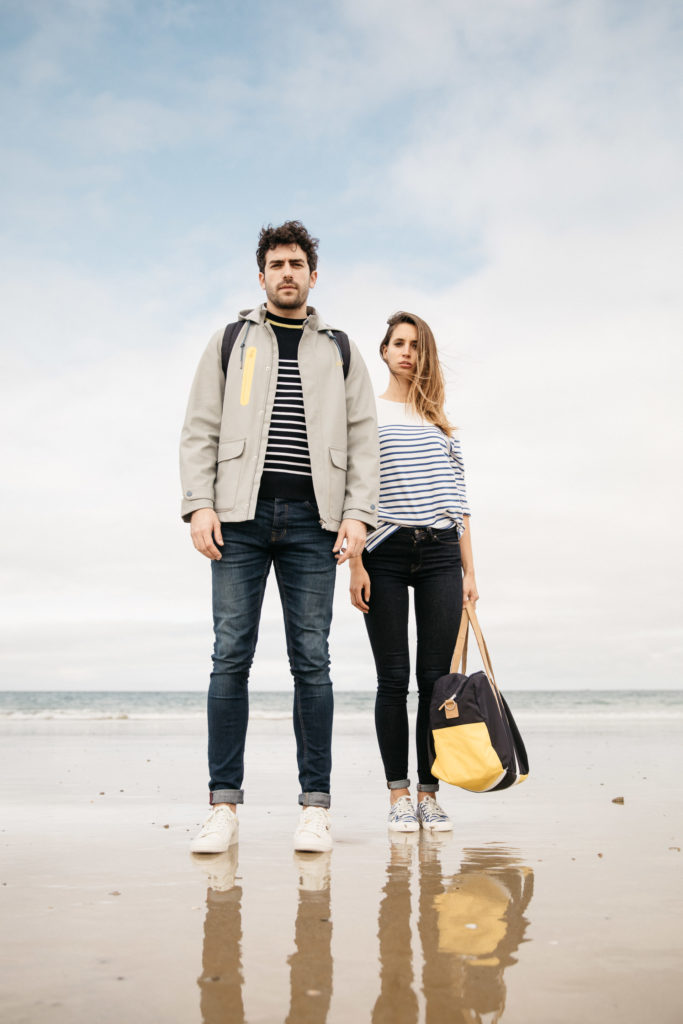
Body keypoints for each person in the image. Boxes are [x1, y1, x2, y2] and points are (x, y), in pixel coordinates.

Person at [180, 220, 379, 854]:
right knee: (229, 656)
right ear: (261, 276)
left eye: (297, 264)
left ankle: (315, 808)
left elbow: (363, 440)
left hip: (315, 524)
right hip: (238, 520)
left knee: (312, 660)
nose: (287, 273)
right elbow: (200, 428)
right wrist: (199, 505)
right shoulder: (230, 341)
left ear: (313, 276)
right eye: (276, 264)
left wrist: (357, 516)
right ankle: (223, 807)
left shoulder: (340, 349)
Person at [349, 312, 478, 833]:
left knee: (435, 682)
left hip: (442, 553)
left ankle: (429, 793)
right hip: (383, 551)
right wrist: (355, 563)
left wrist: (470, 572)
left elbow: (460, 503)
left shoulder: (441, 423)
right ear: (384, 351)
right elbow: (353, 493)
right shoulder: (367, 414)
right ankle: (398, 795)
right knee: (393, 679)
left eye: (416, 345)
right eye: (399, 343)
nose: (407, 352)